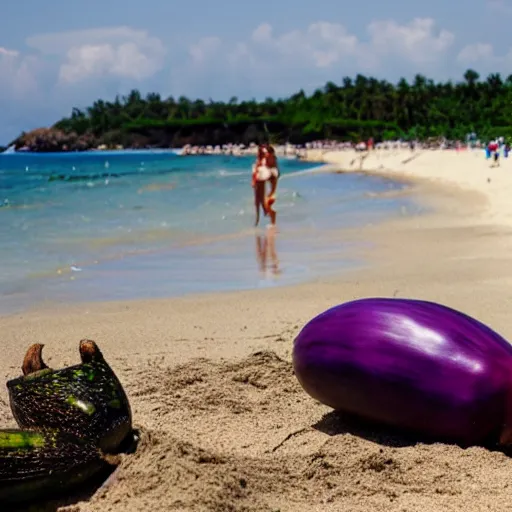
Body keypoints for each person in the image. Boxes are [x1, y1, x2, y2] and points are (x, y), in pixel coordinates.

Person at [251, 144, 280, 226]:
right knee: (259, 201)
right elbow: (257, 169)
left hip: (269, 183)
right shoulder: (262, 161)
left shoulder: (272, 161)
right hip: (262, 180)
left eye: (266, 153)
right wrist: (254, 180)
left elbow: (275, 174)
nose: (265, 154)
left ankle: (272, 221)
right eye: (264, 153)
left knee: (266, 203)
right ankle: (262, 219)